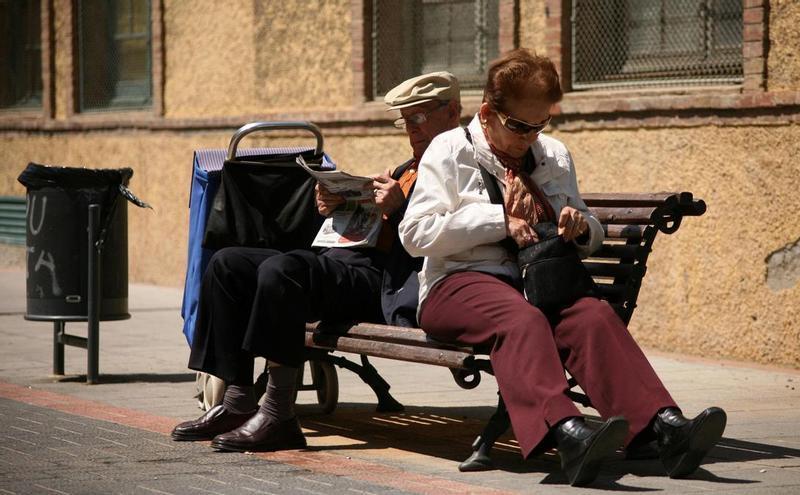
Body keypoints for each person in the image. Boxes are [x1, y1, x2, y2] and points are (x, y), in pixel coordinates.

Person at [399, 49, 726, 486]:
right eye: (518, 125)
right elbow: (415, 234)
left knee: (592, 316)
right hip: (457, 283)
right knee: (521, 319)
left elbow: (587, 226)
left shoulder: (552, 155)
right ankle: (567, 434)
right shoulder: (450, 149)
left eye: (540, 125)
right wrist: (500, 221)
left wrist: (578, 226)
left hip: (538, 282)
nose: (529, 137)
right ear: (487, 113)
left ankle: (664, 428)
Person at [171, 72, 462, 452]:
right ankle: (238, 401)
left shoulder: (461, 164)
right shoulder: (408, 166)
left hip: (385, 281)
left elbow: (452, 235)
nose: (410, 129)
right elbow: (372, 220)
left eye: (418, 118)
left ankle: (279, 414)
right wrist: (336, 205)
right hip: (342, 263)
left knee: (284, 272)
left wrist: (400, 206)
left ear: (453, 112)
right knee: (228, 265)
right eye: (404, 120)